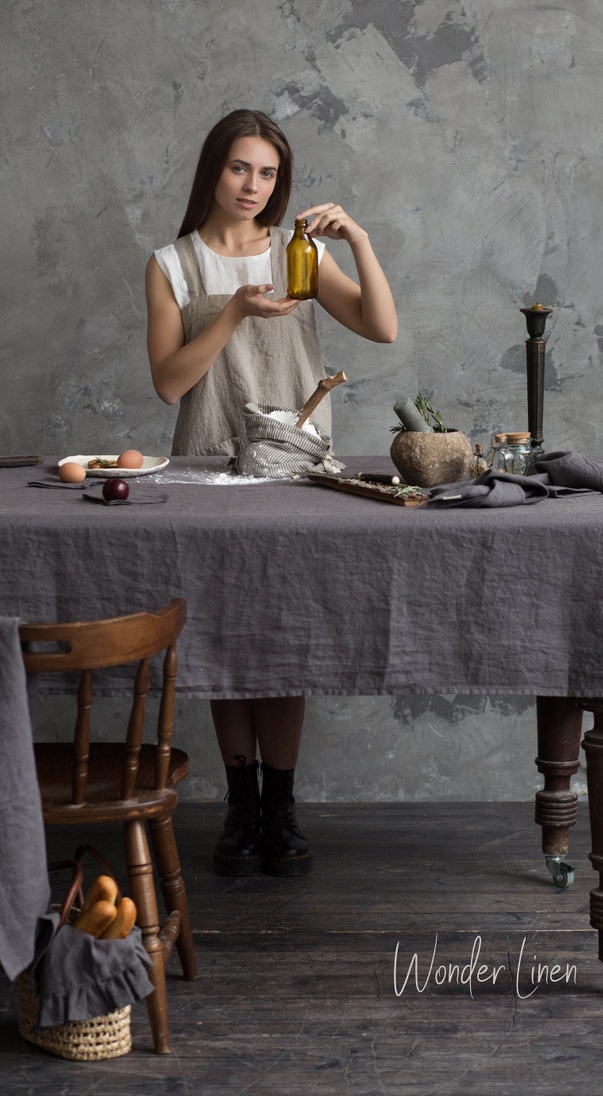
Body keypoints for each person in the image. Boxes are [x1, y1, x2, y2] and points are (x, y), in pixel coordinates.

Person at [145, 109, 398, 878]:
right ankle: (241, 802)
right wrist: (231, 311)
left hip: (297, 467)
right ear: (212, 172)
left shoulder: (300, 252)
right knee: (227, 636)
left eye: (267, 173)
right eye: (238, 169)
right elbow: (169, 384)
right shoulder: (173, 265)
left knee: (285, 637)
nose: (253, 186)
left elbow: (381, 327)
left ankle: (280, 805)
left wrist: (355, 238)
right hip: (209, 466)